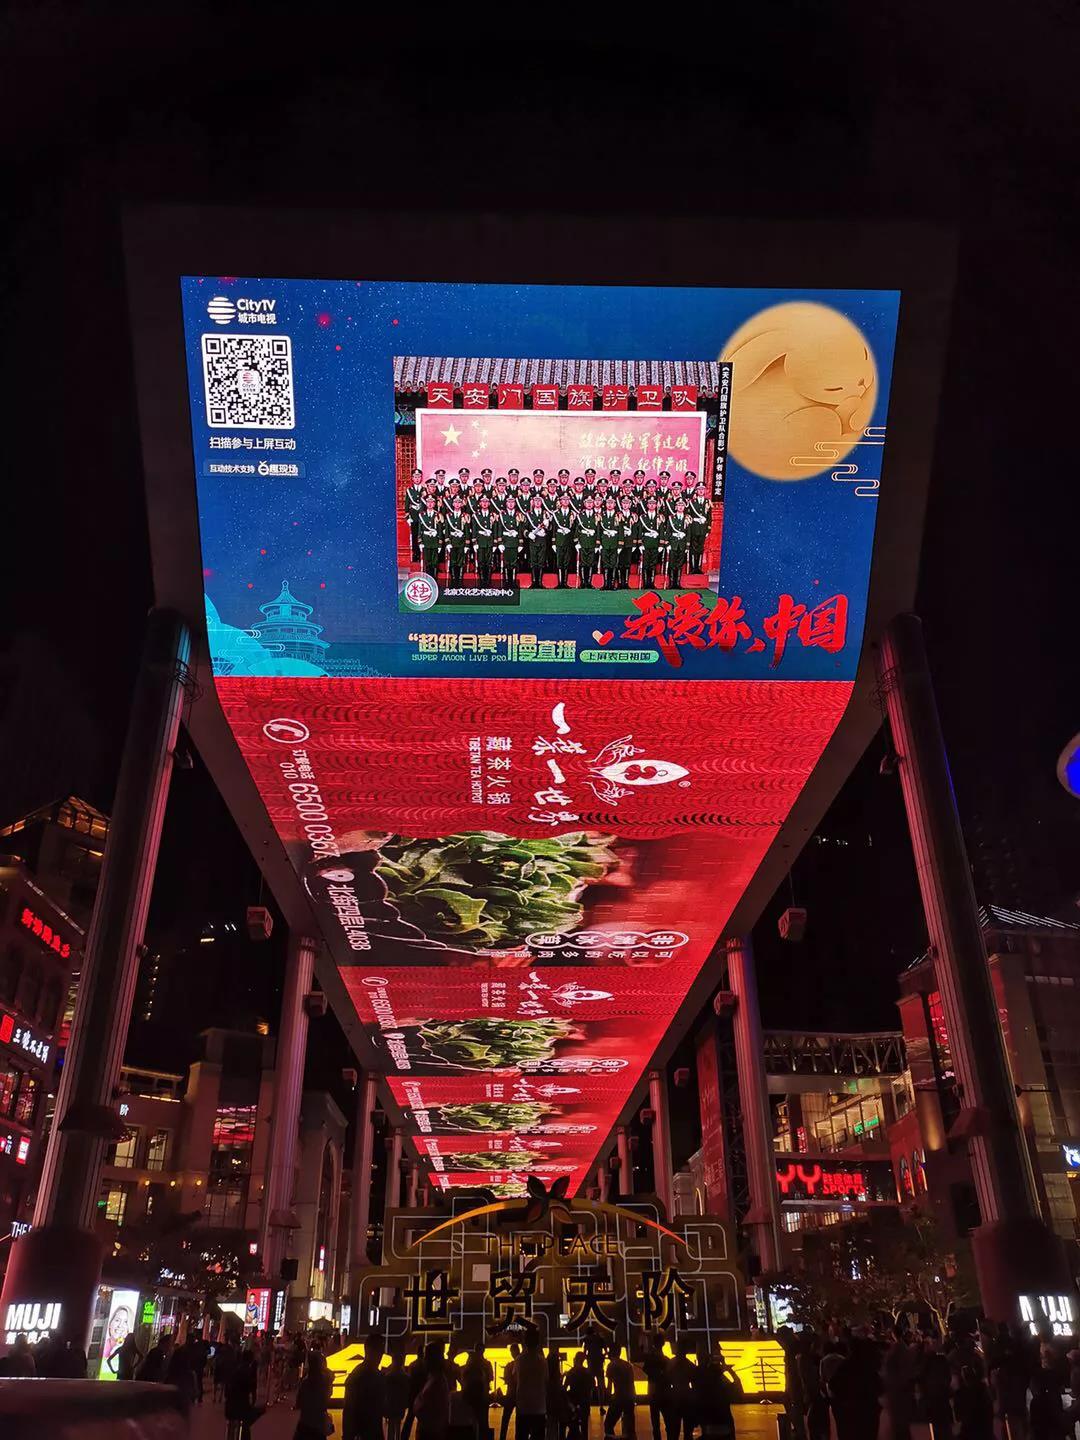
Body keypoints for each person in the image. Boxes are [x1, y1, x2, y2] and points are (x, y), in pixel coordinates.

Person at [344, 1332, 387, 1440]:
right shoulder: (370, 1376)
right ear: (369, 1350)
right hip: (365, 1433)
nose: (382, 1354)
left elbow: (348, 1411)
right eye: (379, 1350)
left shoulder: (358, 1374)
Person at [515, 1328, 549, 1440]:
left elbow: (515, 1378)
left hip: (523, 1406)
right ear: (538, 1343)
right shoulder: (542, 1362)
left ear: (525, 1342)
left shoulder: (519, 1360)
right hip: (539, 1406)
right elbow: (546, 1380)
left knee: (521, 1435)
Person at [414, 1342, 451, 1440]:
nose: (424, 1360)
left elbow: (425, 1408)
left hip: (431, 1432)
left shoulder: (436, 1381)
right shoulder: (435, 1379)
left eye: (426, 1357)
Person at [225, 1347, 262, 1440]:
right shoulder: (247, 1371)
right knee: (249, 1419)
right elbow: (251, 1387)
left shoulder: (235, 1369)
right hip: (240, 1407)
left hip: (231, 1405)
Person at [295, 1350, 333, 1440]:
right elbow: (327, 1399)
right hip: (319, 1424)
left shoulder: (305, 1383)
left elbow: (299, 1403)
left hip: (305, 1424)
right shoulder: (325, 1381)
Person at [952, 1364, 995, 1439]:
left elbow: (959, 1416)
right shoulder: (982, 1389)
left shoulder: (961, 1394)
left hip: (973, 1430)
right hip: (982, 1430)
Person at [641, 1334, 671, 1440]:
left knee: (655, 1423)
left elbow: (645, 1369)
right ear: (663, 1343)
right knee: (668, 1421)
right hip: (664, 1392)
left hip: (653, 1393)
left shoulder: (650, 1358)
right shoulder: (666, 1359)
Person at [604, 1344, 636, 1439]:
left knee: (608, 1424)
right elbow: (632, 1383)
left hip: (618, 1398)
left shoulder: (611, 1366)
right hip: (629, 1398)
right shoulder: (628, 1365)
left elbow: (609, 1387)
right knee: (629, 1428)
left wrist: (607, 1397)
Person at [463, 1342, 494, 1440]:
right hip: (483, 1395)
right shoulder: (487, 1364)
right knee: (484, 1420)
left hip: (472, 1395)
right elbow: (491, 1377)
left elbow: (465, 1376)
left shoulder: (470, 1364)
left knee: (472, 1419)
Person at [666, 1343, 695, 1440]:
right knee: (688, 1430)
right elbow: (694, 1382)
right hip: (686, 1396)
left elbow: (666, 1378)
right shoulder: (690, 1365)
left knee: (674, 1429)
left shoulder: (671, 1363)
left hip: (674, 1396)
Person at [550, 498, 578, 588]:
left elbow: (575, 527)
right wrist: (553, 542)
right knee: (559, 562)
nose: (565, 501)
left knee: (566, 562)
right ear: (560, 501)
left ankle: (565, 582)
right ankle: (559, 583)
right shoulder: (556, 513)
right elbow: (554, 528)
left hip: (568, 540)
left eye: (567, 500)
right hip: (559, 540)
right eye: (563, 500)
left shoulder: (572, 513)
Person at [565, 1352, 593, 1440]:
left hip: (573, 1404)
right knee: (585, 1427)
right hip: (585, 1403)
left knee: (573, 1427)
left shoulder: (571, 1372)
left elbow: (565, 1387)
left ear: (575, 1360)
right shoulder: (588, 1372)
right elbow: (591, 1387)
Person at [386, 1347, 412, 1440]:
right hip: (400, 1404)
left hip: (391, 1403)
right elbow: (407, 1391)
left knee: (391, 1426)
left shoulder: (388, 1376)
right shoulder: (405, 1377)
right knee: (398, 1424)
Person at [498, 1342, 520, 1440]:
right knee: (519, 1419)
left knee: (505, 1418)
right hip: (519, 1394)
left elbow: (507, 1380)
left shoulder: (509, 1365)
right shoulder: (522, 1364)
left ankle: (502, 1437)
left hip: (510, 1394)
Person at [584, 1325, 607, 1405]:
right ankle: (601, 1404)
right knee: (601, 1386)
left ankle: (589, 1404)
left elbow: (584, 1352)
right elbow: (606, 1351)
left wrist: (587, 1357)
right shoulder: (600, 1339)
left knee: (589, 1385)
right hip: (599, 1364)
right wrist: (602, 1356)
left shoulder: (587, 1340)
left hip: (591, 1364)